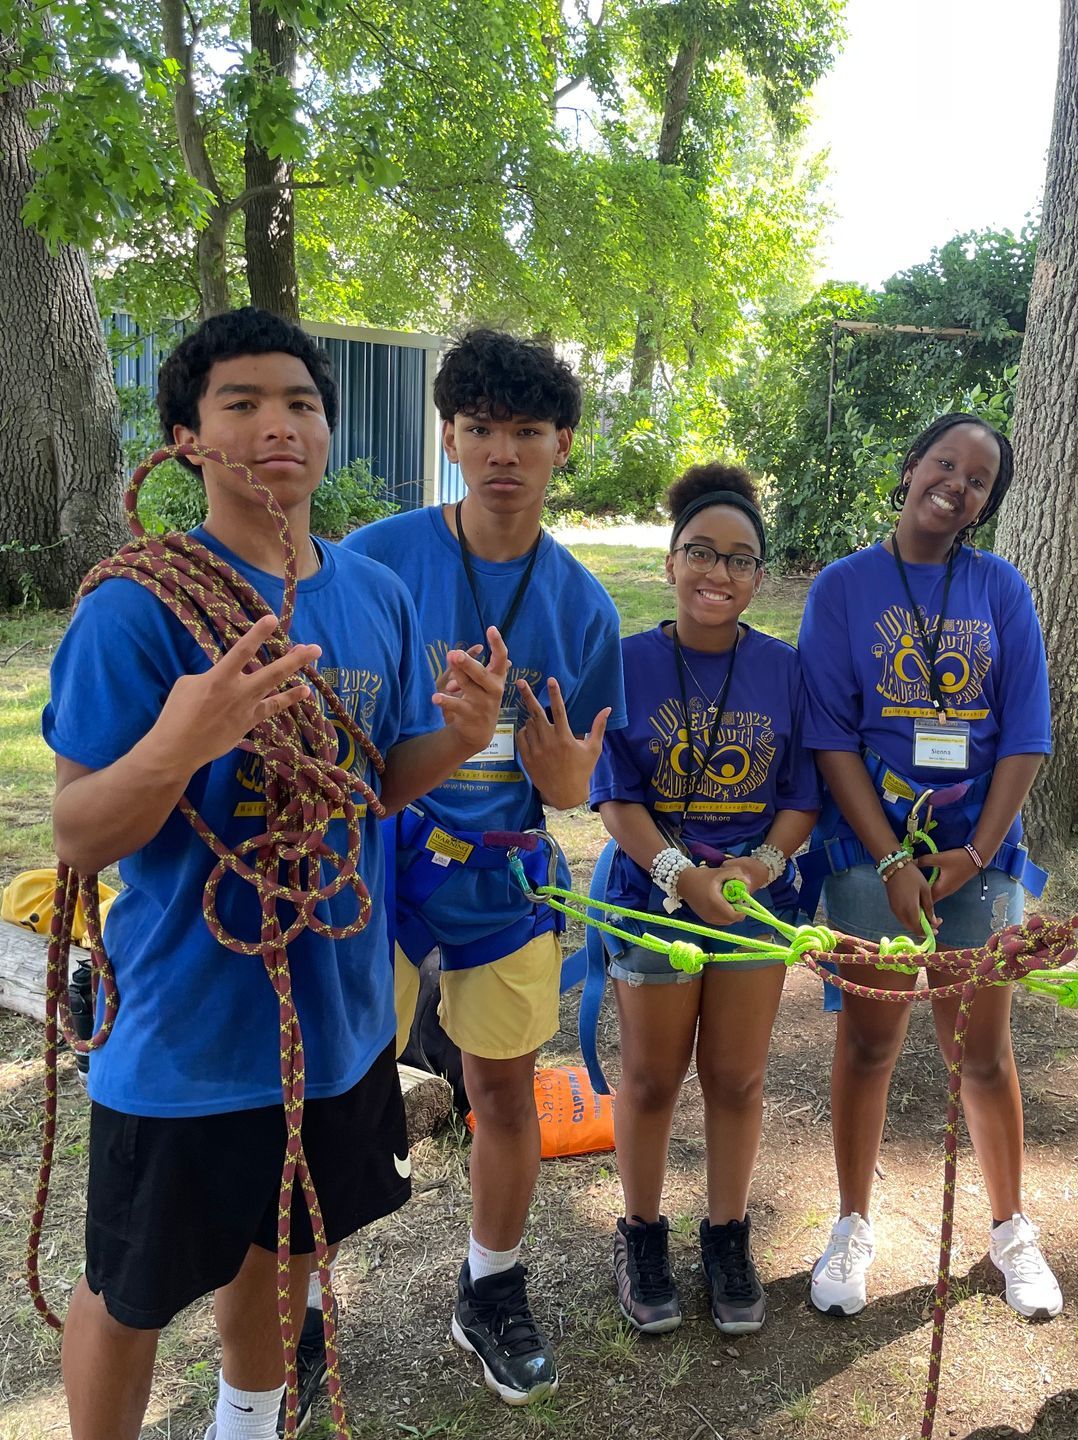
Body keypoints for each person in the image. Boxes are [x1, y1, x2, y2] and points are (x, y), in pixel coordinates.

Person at [44, 307, 508, 1440]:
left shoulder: (375, 597)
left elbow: (373, 787)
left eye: (299, 402)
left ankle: (248, 1420)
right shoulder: (136, 606)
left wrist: (454, 738)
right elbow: (78, 833)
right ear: (186, 438)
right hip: (187, 1040)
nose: (276, 425)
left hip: (339, 1026)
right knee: (130, 1292)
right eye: (239, 404)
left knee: (290, 1240)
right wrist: (176, 743)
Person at [339, 329, 624, 1406]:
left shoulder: (582, 604)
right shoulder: (375, 559)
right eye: (480, 430)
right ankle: (306, 1305)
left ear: (562, 447)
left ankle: (490, 1288)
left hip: (504, 875)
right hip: (380, 860)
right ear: (451, 437)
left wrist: (560, 779)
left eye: (527, 433)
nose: (503, 452)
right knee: (336, 1085)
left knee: (502, 1090)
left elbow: (574, 785)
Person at [796, 413, 1063, 1321]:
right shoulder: (843, 588)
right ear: (910, 467)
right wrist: (888, 858)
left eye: (981, 478)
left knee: (979, 1051)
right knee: (870, 1041)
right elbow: (831, 736)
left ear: (989, 501)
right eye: (945, 463)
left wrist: (977, 853)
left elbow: (1025, 733)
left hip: (975, 855)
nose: (958, 483)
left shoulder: (1001, 589)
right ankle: (851, 1223)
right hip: (872, 850)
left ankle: (1010, 1229)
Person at [590, 464, 820, 1337]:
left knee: (736, 1076)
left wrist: (758, 869)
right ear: (671, 559)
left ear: (760, 576)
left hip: (754, 905)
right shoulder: (626, 663)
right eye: (700, 553)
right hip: (653, 897)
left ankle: (727, 1234)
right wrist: (677, 877)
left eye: (738, 559)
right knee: (651, 1079)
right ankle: (641, 1233)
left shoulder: (784, 671)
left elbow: (803, 794)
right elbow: (617, 797)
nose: (717, 574)